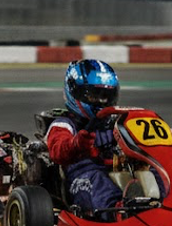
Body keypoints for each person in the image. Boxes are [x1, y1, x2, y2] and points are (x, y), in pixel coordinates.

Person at [46, 58, 125, 216]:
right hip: (80, 178)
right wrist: (76, 144)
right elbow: (57, 151)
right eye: (94, 96)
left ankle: (170, 205)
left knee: (155, 171)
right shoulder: (64, 124)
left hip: (117, 171)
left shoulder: (118, 122)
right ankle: (117, 213)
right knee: (97, 179)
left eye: (106, 96)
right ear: (75, 93)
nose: (102, 101)